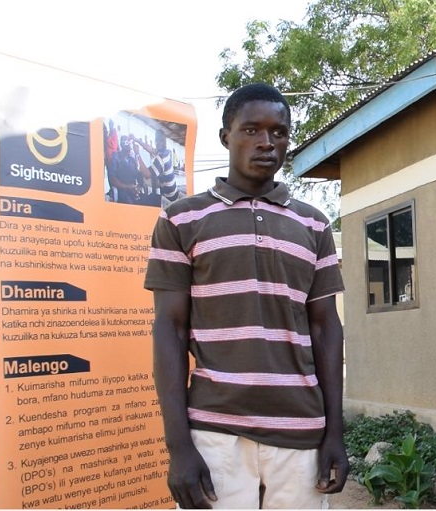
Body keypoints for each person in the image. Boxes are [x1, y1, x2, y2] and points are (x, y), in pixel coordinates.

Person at [144, 82, 348, 509]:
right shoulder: (182, 219)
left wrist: (335, 434)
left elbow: (327, 329)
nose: (267, 142)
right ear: (226, 136)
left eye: (279, 132)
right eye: (252, 130)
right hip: (215, 432)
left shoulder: (313, 225)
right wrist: (179, 445)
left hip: (300, 431)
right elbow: (170, 329)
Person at [134, 128, 182, 206]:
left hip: (168, 198)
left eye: (157, 141)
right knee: (154, 180)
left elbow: (147, 174)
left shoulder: (161, 158)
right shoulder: (166, 152)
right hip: (174, 194)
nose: (156, 143)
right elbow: (151, 149)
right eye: (156, 141)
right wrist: (136, 140)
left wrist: (137, 154)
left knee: (143, 200)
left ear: (162, 142)